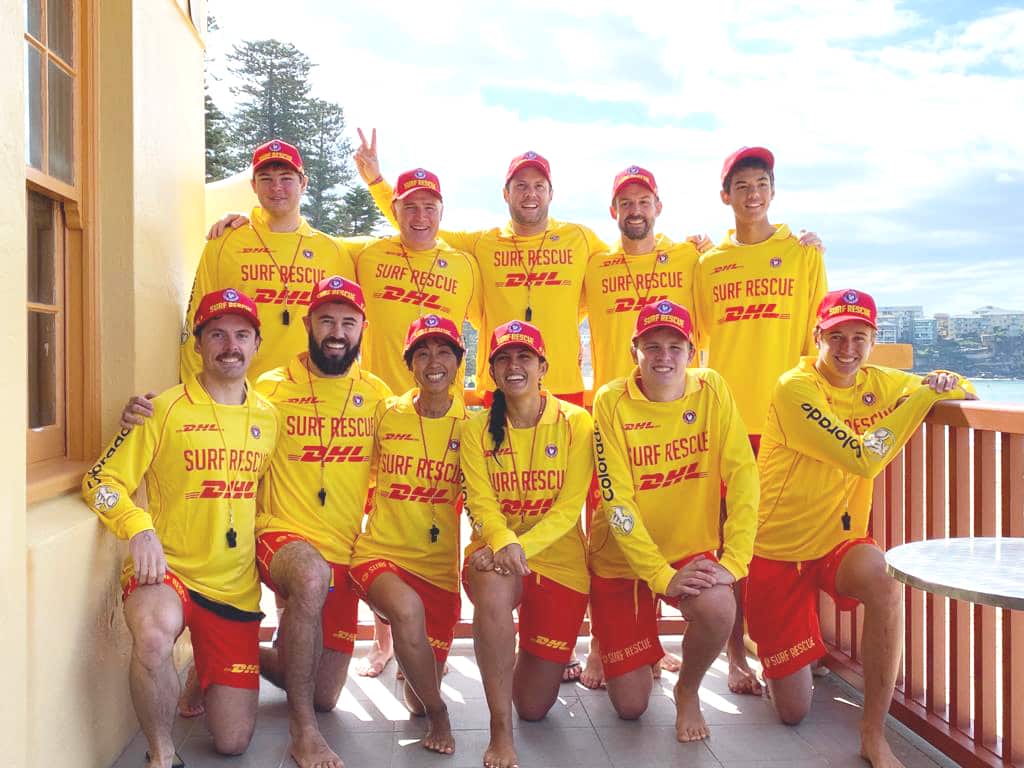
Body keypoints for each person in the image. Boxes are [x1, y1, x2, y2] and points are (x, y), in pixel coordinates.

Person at [123, 277, 391, 768]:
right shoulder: (269, 390)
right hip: (279, 536)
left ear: (362, 330)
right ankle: (303, 734)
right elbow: (164, 440)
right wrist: (138, 417)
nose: (336, 332)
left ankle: (215, 661)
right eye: (326, 321)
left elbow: (414, 453)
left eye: (347, 323)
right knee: (309, 577)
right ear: (307, 325)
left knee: (319, 694)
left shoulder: (376, 396)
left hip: (342, 548)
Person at [746, 288, 976, 768]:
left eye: (859, 338)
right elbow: (864, 457)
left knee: (886, 585)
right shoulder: (794, 386)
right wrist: (920, 399)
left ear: (873, 340)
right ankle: (780, 650)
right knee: (792, 711)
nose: (847, 349)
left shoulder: (879, 381)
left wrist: (939, 382)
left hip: (839, 540)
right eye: (836, 337)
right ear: (817, 337)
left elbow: (962, 386)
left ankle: (873, 733)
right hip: (777, 550)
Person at [84, 289, 279, 768]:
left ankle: (203, 669)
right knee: (152, 636)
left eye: (240, 334)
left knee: (233, 741)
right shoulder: (161, 409)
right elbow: (98, 481)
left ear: (256, 344)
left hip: (234, 588)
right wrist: (137, 525)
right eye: (216, 334)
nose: (229, 345)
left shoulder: (270, 418)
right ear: (198, 346)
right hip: (167, 572)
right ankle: (162, 754)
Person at [692, 145, 828, 695]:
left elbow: (817, 341)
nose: (753, 194)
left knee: (790, 537)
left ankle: (797, 647)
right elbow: (695, 340)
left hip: (785, 422)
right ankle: (735, 656)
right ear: (726, 195)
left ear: (773, 191)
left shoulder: (801, 253)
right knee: (730, 539)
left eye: (762, 184)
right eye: (742, 185)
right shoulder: (708, 263)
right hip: (725, 420)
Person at [590, 300, 758, 741]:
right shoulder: (609, 400)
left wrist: (735, 561)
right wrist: (659, 576)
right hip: (622, 564)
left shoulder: (713, 389)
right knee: (631, 707)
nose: (663, 356)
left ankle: (688, 690)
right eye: (652, 346)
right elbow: (618, 504)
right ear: (635, 352)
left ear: (692, 352)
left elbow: (742, 475)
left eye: (675, 346)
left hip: (688, 549)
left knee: (720, 604)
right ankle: (636, 643)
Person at [355, 129, 603, 406]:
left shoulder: (581, 238)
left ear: (551, 193)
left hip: (563, 383)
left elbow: (615, 270)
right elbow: (421, 227)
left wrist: (571, 314)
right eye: (520, 186)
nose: (530, 193)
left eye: (538, 186)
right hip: (498, 385)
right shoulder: (483, 243)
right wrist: (377, 182)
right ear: (505, 193)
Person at [460, 319, 593, 768]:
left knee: (534, 707)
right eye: (503, 358)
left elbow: (568, 508)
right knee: (492, 591)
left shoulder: (577, 422)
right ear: (492, 372)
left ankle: (510, 661)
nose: (514, 366)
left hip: (558, 560)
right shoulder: (476, 429)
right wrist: (501, 543)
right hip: (494, 554)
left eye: (524, 357)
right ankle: (500, 731)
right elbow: (480, 502)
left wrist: (517, 548)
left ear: (543, 367)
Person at [349, 315, 469, 755]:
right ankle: (443, 716)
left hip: (437, 570)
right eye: (422, 352)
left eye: (443, 352)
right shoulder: (386, 412)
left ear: (459, 362)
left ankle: (415, 671)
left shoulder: (472, 428)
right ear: (409, 364)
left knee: (415, 702)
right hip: (379, 555)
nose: (433, 361)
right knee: (406, 608)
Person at [181, 139, 363, 381]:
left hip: (311, 399)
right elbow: (196, 324)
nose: (276, 187)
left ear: (303, 183)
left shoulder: (334, 251)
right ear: (253, 185)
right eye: (266, 178)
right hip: (241, 396)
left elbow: (353, 331)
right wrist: (197, 394)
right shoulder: (223, 243)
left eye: (286, 178)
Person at [351, 167, 482, 394]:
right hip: (382, 405)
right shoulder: (365, 255)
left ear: (441, 212)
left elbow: (488, 325)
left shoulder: (466, 265)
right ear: (394, 210)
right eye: (410, 207)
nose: (421, 217)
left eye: (429, 208)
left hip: (445, 411)